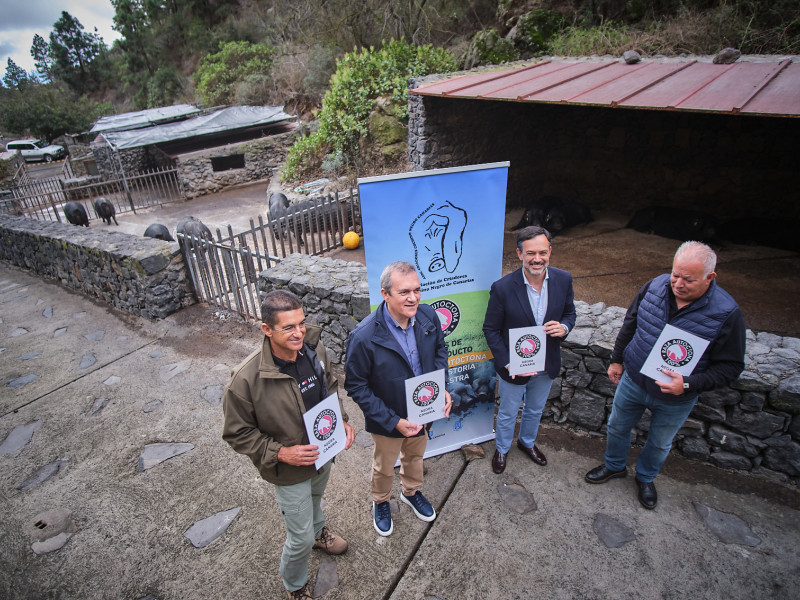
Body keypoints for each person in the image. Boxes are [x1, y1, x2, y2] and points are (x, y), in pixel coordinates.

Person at [585, 241, 746, 509]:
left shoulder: (727, 313)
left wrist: (689, 383)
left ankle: (646, 478)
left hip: (677, 396)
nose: (678, 284)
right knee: (617, 426)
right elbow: (631, 323)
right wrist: (616, 360)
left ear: (711, 277)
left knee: (660, 442)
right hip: (634, 380)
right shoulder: (654, 286)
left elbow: (731, 367)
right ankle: (614, 466)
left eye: (688, 279)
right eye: (675, 274)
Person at [222, 290, 355, 600]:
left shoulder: (315, 349)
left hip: (324, 452)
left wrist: (343, 419)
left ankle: (319, 533)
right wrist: (281, 453)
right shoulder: (244, 381)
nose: (300, 333)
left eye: (302, 323)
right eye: (289, 327)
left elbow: (330, 388)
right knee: (298, 538)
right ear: (267, 330)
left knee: (316, 499)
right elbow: (236, 433)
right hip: (289, 470)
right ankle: (295, 586)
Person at [344, 261, 452, 537]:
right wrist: (393, 420)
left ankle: (410, 491)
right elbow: (356, 386)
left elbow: (440, 350)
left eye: (417, 290)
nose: (413, 298)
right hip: (388, 418)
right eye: (404, 292)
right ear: (385, 294)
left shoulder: (428, 316)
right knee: (384, 466)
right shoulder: (363, 336)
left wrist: (441, 388)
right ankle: (380, 501)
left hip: (424, 410)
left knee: (415, 457)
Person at [482, 225, 576, 474]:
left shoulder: (564, 279)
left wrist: (565, 327)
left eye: (543, 252)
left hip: (547, 362)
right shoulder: (502, 288)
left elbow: (570, 313)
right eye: (531, 253)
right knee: (508, 412)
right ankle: (502, 449)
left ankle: (527, 443)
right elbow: (490, 329)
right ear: (519, 254)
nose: (537, 259)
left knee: (535, 409)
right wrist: (507, 362)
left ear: (550, 251)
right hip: (514, 366)